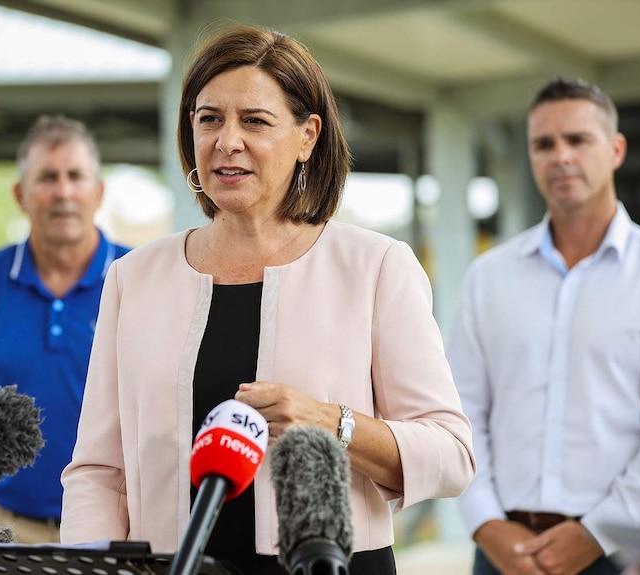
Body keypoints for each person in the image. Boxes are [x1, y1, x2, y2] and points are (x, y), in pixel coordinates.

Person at [60, 24, 475, 575]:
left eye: (254, 121)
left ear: (308, 136)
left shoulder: (376, 266)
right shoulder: (133, 277)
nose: (227, 141)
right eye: (209, 119)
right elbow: (97, 471)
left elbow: (451, 455)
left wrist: (332, 422)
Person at [446, 77, 640, 575]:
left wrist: (595, 534)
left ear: (615, 149)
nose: (560, 156)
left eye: (577, 140)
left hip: (630, 549)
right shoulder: (489, 277)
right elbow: (460, 411)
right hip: (502, 549)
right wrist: (485, 523)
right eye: (543, 144)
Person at [0, 115, 131, 543]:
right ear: (21, 195)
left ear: (98, 192)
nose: (63, 191)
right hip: (9, 530)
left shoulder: (141, 278)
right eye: (47, 177)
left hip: (122, 529)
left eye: (76, 176)